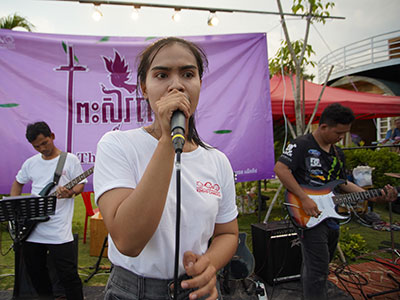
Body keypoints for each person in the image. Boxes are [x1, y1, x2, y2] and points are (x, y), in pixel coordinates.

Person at [93, 37, 239, 300]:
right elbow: (128, 241)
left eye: (188, 74)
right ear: (144, 88)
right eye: (161, 75)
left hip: (193, 290)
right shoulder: (117, 145)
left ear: (199, 84)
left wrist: (210, 265)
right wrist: (166, 142)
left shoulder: (217, 161)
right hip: (133, 291)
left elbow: (227, 232)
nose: (177, 85)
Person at [273, 103, 397, 300]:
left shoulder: (338, 154)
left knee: (319, 263)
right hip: (308, 213)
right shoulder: (302, 144)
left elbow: (343, 182)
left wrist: (374, 195)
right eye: (338, 132)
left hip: (331, 214)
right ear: (323, 127)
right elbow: (281, 169)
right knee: (318, 266)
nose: (341, 137)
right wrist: (304, 199)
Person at [10, 121, 85, 300]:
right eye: (37, 146)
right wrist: (15, 209)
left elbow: (81, 184)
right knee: (36, 273)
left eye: (45, 143)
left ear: (52, 136)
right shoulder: (30, 163)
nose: (42, 148)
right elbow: (18, 182)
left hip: (59, 229)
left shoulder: (70, 160)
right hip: (32, 229)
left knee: (68, 274)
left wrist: (70, 193)